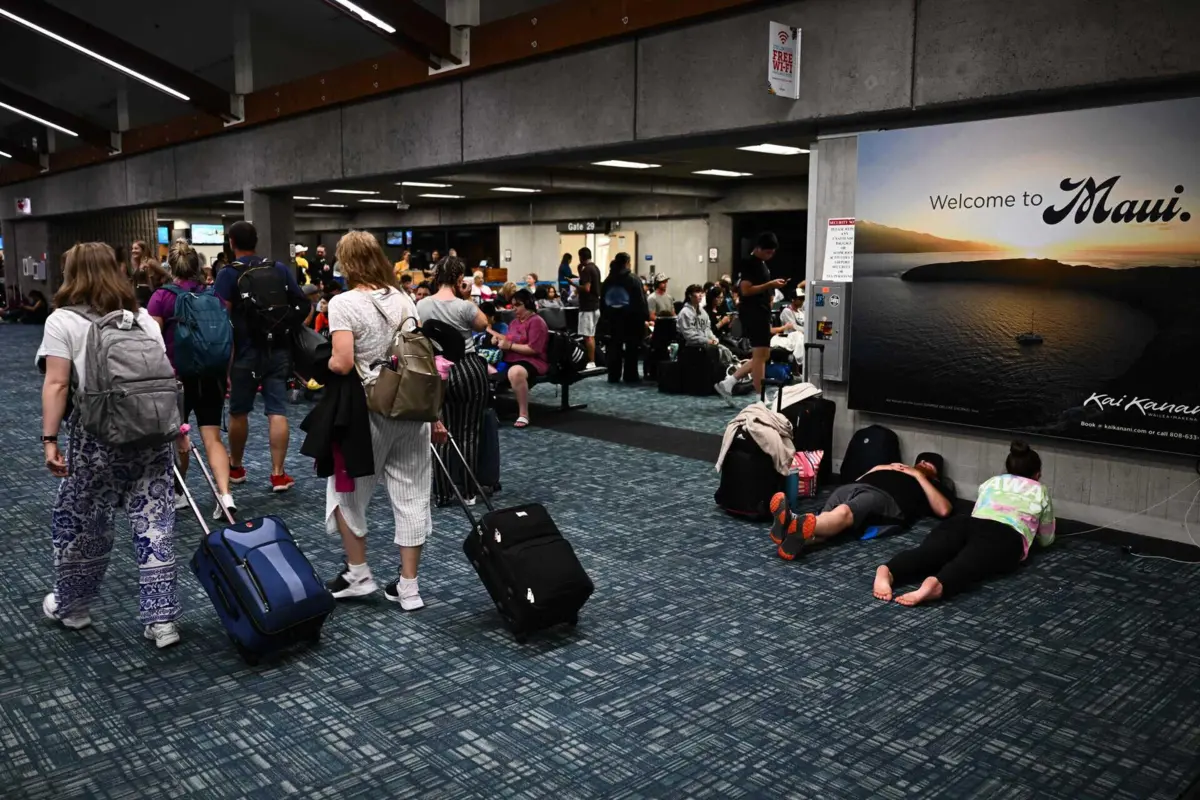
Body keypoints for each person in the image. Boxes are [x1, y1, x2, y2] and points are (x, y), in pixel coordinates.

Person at [37, 242, 181, 648]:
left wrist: (50, 439)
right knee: (155, 524)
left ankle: (74, 607)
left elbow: (58, 383)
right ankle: (162, 620)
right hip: (151, 436)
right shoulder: (140, 318)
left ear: (71, 273)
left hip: (96, 439)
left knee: (85, 522)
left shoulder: (62, 320)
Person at [322, 231, 442, 610]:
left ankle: (358, 573)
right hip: (412, 410)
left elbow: (342, 362)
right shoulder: (406, 299)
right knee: (411, 495)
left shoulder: (343, 302)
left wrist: (319, 360)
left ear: (347, 263)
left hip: (367, 413)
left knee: (344, 491)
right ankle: (409, 588)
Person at [875, 442, 1056, 606]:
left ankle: (889, 570)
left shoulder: (992, 482)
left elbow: (978, 510)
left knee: (930, 551)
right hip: (1005, 534)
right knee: (969, 562)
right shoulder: (1040, 490)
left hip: (966, 522)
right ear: (1037, 474)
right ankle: (937, 584)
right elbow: (1046, 538)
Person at [147, 239, 237, 521]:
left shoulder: (161, 297)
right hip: (212, 375)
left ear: (170, 266)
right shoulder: (214, 297)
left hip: (176, 378)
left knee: (180, 436)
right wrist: (227, 374)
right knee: (212, 437)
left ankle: (178, 492)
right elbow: (227, 339)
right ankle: (225, 495)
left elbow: (152, 342)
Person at [213, 221, 304, 493]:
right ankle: (278, 474)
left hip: (244, 353)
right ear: (256, 240)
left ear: (231, 243)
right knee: (277, 410)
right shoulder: (278, 268)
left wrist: (224, 363)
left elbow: (221, 317)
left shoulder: (228, 274)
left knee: (239, 412)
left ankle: (237, 467)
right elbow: (301, 303)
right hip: (277, 349)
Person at [772, 453, 955, 561]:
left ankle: (791, 521)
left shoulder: (932, 485)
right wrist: (882, 467)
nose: (922, 465)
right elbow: (859, 479)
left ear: (936, 475)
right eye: (920, 462)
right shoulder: (897, 467)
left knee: (843, 513)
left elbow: (944, 510)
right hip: (853, 488)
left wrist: (918, 475)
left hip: (885, 499)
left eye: (928, 465)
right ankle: (790, 537)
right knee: (829, 522)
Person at [417, 257, 490, 506]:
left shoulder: (422, 304)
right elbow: (483, 323)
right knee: (469, 432)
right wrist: (466, 297)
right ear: (460, 280)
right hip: (467, 368)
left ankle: (442, 493)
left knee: (442, 431)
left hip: (437, 370)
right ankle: (468, 493)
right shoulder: (464, 306)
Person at [714, 233, 786, 404]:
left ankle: (729, 383)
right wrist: (770, 285)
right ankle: (760, 397)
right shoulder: (749, 264)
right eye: (768, 252)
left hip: (760, 312)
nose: (771, 255)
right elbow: (745, 290)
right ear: (758, 248)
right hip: (753, 313)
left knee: (763, 355)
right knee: (760, 356)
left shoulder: (761, 264)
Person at [492, 289, 548, 429]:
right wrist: (499, 339)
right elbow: (510, 339)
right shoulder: (514, 322)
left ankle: (524, 413)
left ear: (528, 304)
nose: (514, 308)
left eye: (518, 305)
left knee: (515, 372)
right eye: (513, 305)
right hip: (512, 359)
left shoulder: (537, 322)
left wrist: (509, 345)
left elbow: (533, 349)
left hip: (533, 360)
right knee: (481, 366)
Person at [599, 252, 649, 384]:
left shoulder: (608, 280)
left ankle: (613, 375)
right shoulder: (634, 279)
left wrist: (605, 318)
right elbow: (640, 301)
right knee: (632, 348)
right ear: (627, 262)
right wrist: (644, 317)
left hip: (613, 319)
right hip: (632, 320)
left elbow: (602, 301)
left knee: (614, 348)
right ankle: (630, 375)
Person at [576, 247, 602, 368]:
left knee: (588, 336)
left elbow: (586, 288)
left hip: (587, 307)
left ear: (581, 257)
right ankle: (592, 359)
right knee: (592, 334)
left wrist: (573, 284)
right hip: (596, 305)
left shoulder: (587, 270)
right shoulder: (595, 268)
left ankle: (591, 361)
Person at [130, 239, 168, 307]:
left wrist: (158, 284)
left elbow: (166, 274)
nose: (133, 251)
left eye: (136, 248)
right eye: (132, 248)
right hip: (138, 296)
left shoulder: (150, 262)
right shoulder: (135, 263)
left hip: (149, 295)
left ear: (143, 250)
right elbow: (134, 282)